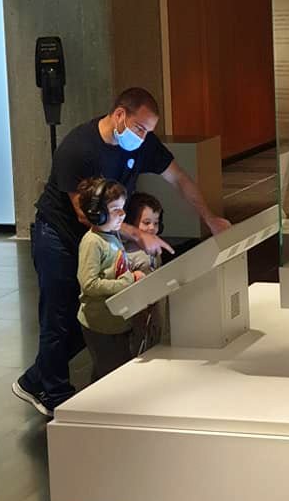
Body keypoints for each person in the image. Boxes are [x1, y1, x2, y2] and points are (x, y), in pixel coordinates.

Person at [12, 87, 230, 417]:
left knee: (94, 316)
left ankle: (34, 379)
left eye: (149, 131)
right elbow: (85, 213)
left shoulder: (143, 143)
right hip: (59, 233)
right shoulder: (77, 148)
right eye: (140, 128)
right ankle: (56, 394)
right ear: (119, 115)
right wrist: (138, 234)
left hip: (104, 234)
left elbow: (180, 179)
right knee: (59, 313)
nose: (143, 138)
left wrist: (209, 217)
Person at [75, 178, 145, 382]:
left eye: (122, 207)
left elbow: (115, 269)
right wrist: (127, 282)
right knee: (110, 374)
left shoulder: (111, 236)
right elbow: (89, 284)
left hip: (115, 320)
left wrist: (132, 274)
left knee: (111, 369)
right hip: (100, 323)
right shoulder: (92, 243)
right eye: (115, 209)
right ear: (96, 213)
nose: (122, 214)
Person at [124, 191, 166, 354]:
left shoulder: (155, 248)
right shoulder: (128, 253)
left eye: (156, 223)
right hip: (138, 312)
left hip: (155, 308)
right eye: (146, 222)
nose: (152, 228)